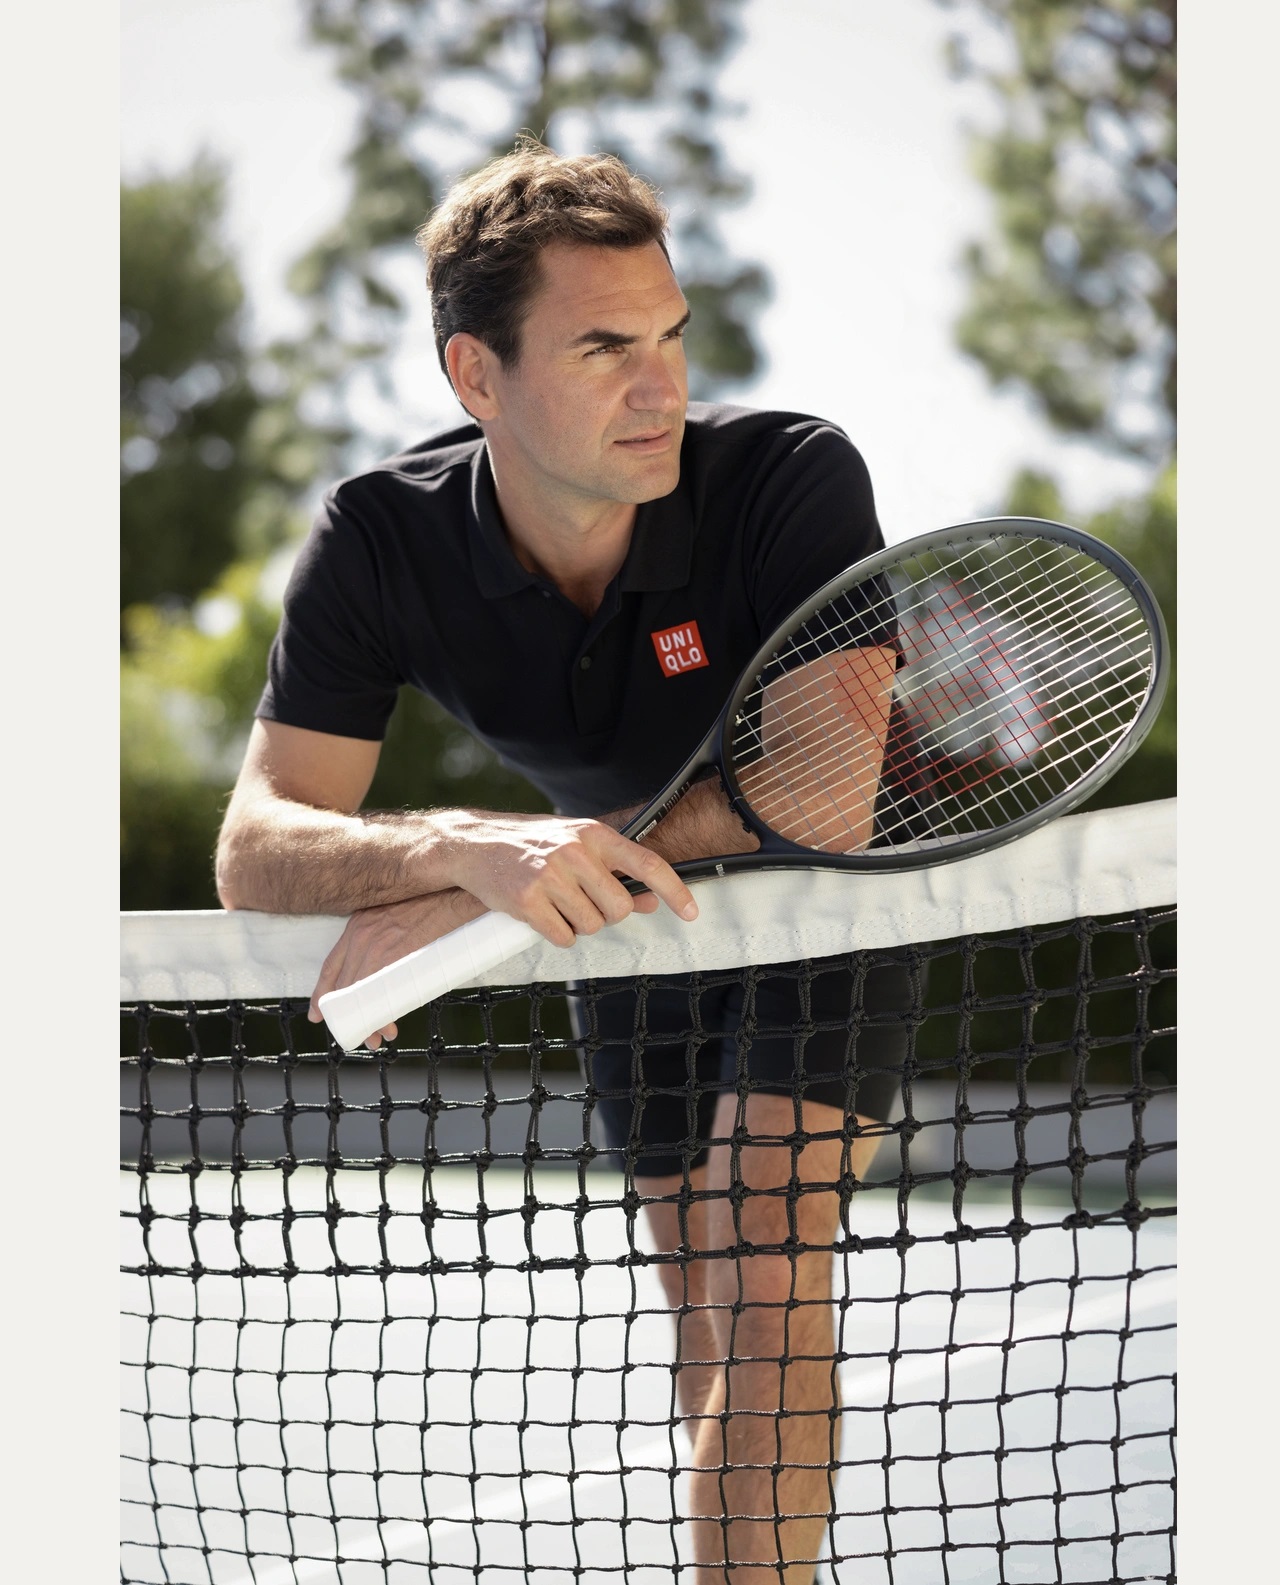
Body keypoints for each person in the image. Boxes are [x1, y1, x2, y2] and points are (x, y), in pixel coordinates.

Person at [217, 138, 914, 1584]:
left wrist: (500, 883)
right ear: (476, 375)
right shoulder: (378, 540)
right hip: (614, 934)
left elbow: (820, 793)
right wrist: (457, 853)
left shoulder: (790, 475)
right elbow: (258, 844)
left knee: (766, 1245)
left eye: (670, 337)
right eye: (604, 348)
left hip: (823, 897)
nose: (659, 387)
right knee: (700, 1290)